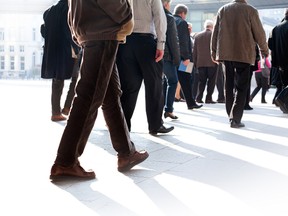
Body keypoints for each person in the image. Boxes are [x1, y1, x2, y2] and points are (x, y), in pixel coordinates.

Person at [50, 0, 149, 180]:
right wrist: (126, 16)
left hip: (92, 30)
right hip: (102, 30)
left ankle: (126, 153)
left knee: (110, 95)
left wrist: (76, 30)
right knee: (88, 97)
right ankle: (65, 162)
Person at [116, 0, 174, 135]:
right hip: (146, 42)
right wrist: (161, 44)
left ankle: (123, 126)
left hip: (125, 43)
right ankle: (155, 125)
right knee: (154, 85)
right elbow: (160, 17)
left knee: (128, 87)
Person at [211, 0, 269, 128]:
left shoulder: (223, 9)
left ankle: (230, 115)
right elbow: (259, 33)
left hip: (226, 54)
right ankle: (235, 118)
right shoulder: (250, 10)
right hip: (244, 54)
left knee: (228, 85)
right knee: (242, 87)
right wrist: (265, 50)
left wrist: (214, 52)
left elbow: (215, 32)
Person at [41, 0, 81, 122]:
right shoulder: (69, 9)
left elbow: (43, 30)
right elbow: (69, 32)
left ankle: (56, 113)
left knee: (57, 80)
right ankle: (68, 107)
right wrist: (77, 47)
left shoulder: (49, 11)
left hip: (53, 51)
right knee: (76, 78)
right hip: (67, 50)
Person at [173, 4, 202, 110]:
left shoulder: (171, 20)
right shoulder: (182, 22)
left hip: (173, 57)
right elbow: (184, 42)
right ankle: (191, 103)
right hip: (185, 58)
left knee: (173, 81)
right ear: (183, 13)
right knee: (188, 80)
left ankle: (190, 102)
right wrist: (186, 57)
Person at [162, 0, 181, 120]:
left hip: (153, 54)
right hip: (167, 56)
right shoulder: (169, 18)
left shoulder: (152, 15)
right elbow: (174, 41)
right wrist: (177, 59)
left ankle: (163, 109)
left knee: (162, 82)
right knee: (173, 81)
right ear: (165, 4)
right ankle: (168, 109)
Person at [193, 19, 217, 104]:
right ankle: (208, 98)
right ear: (212, 26)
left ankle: (199, 98)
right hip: (212, 63)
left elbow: (194, 51)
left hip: (200, 63)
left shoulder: (197, 36)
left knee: (201, 81)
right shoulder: (214, 35)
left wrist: (195, 63)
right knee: (211, 81)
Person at [268, 9, 288, 102]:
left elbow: (270, 45)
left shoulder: (275, 28)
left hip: (280, 64)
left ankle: (283, 103)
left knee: (284, 84)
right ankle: (280, 100)